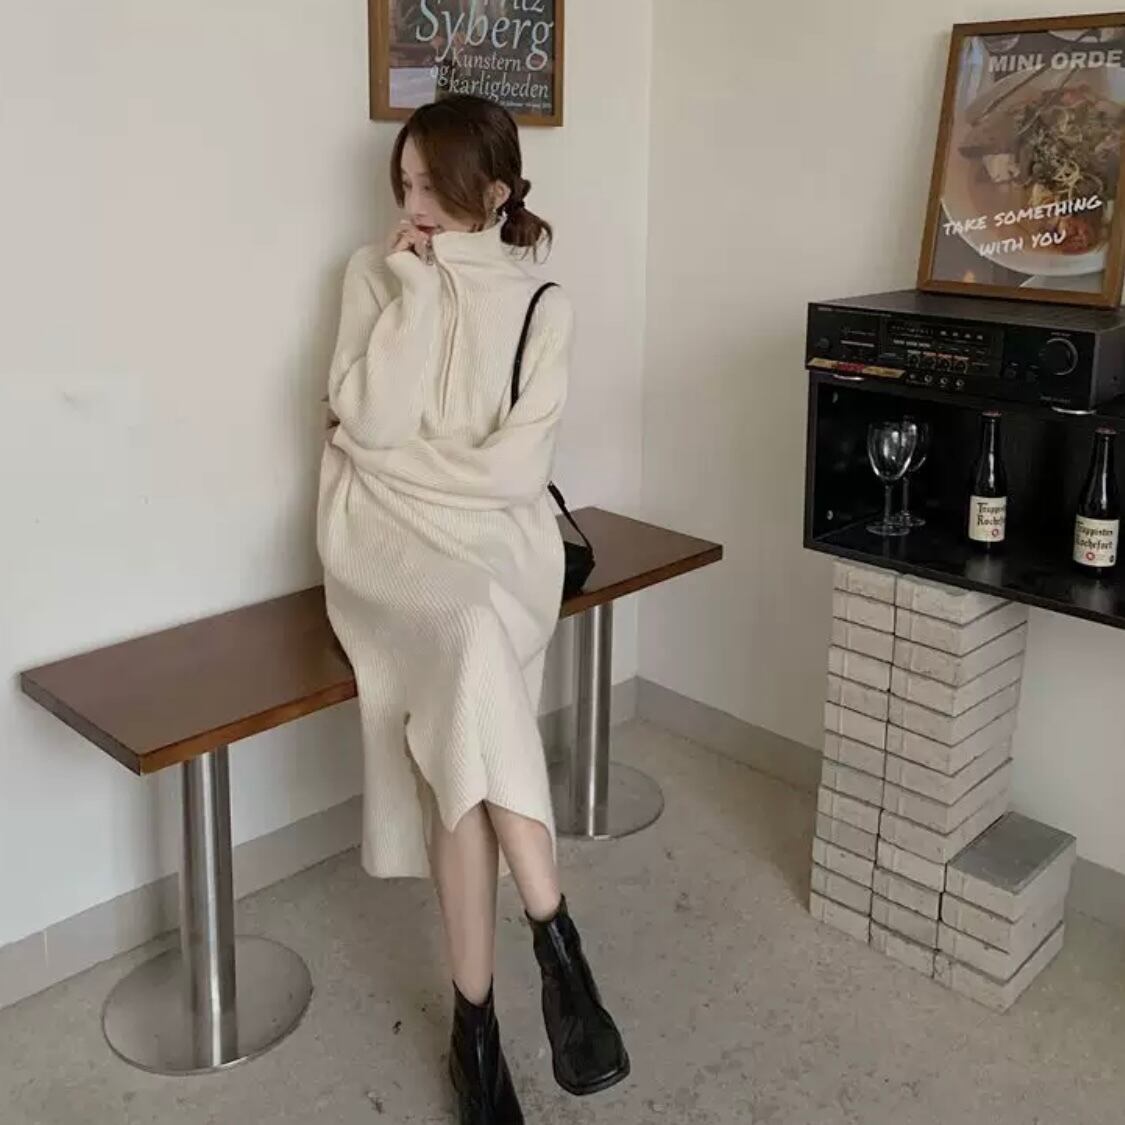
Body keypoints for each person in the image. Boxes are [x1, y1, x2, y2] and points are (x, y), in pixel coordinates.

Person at [317, 94, 629, 1124]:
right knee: (467, 640)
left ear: (493, 191)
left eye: (434, 187)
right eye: (404, 183)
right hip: (380, 539)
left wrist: (390, 457)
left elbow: (513, 474)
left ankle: (476, 1035)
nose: (413, 205)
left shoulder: (544, 303)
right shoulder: (375, 275)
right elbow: (368, 422)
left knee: (468, 697)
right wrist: (412, 295)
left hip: (500, 549)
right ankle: (555, 935)